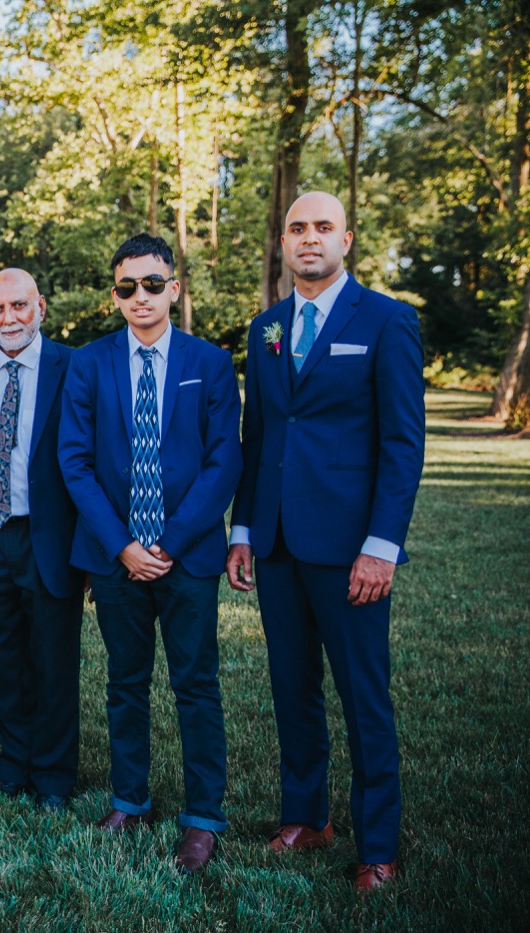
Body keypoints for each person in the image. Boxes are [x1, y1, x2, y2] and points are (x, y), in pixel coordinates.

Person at [226, 192, 425, 893]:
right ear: (283, 243)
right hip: (278, 542)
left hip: (350, 549)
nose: (309, 238)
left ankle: (377, 846)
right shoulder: (267, 328)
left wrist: (381, 545)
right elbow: (259, 437)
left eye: (323, 227)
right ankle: (307, 816)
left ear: (347, 239)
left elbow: (403, 444)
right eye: (297, 228)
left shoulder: (387, 320)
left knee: (363, 695)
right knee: (292, 686)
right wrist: (244, 530)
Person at [58, 233, 241, 873]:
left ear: (174, 288)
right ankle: (129, 799)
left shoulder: (209, 362)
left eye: (153, 284)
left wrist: (167, 543)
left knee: (196, 684)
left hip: (186, 556)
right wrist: (124, 546)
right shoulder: (89, 363)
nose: (141, 296)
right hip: (116, 558)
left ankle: (203, 817)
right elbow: (74, 462)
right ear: (116, 295)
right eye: (128, 286)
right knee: (125, 682)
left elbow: (223, 462)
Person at [0, 268, 85, 812]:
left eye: (19, 306)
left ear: (41, 307)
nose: (9, 318)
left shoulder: (72, 366)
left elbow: (88, 461)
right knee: (1, 657)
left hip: (48, 535)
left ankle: (53, 774)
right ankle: (15, 761)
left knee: (53, 660)